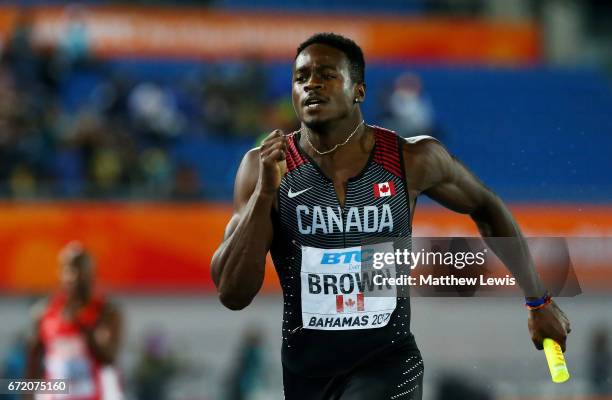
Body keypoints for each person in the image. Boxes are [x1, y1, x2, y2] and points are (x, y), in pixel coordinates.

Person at [211, 33, 571, 400]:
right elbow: (233, 293)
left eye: (326, 74)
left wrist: (538, 301)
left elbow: (486, 205)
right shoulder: (264, 167)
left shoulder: (411, 159)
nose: (312, 85)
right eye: (301, 78)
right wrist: (265, 193)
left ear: (359, 91)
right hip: (306, 375)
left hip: (388, 364)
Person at [25, 242, 123, 400]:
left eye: (83, 271)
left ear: (92, 274)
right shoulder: (44, 312)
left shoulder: (107, 312)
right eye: (71, 269)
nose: (76, 277)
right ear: (60, 272)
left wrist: (85, 330)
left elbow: (109, 358)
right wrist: (27, 395)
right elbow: (33, 362)